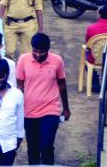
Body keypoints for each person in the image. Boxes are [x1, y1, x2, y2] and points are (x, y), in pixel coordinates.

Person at [17, 33, 70, 165]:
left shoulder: (57, 61)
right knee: (33, 148)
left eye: (42, 52)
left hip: (50, 110)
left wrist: (66, 108)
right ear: (31, 48)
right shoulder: (23, 60)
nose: (38, 55)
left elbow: (62, 85)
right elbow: (19, 87)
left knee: (46, 146)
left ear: (48, 49)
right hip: (28, 111)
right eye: (35, 51)